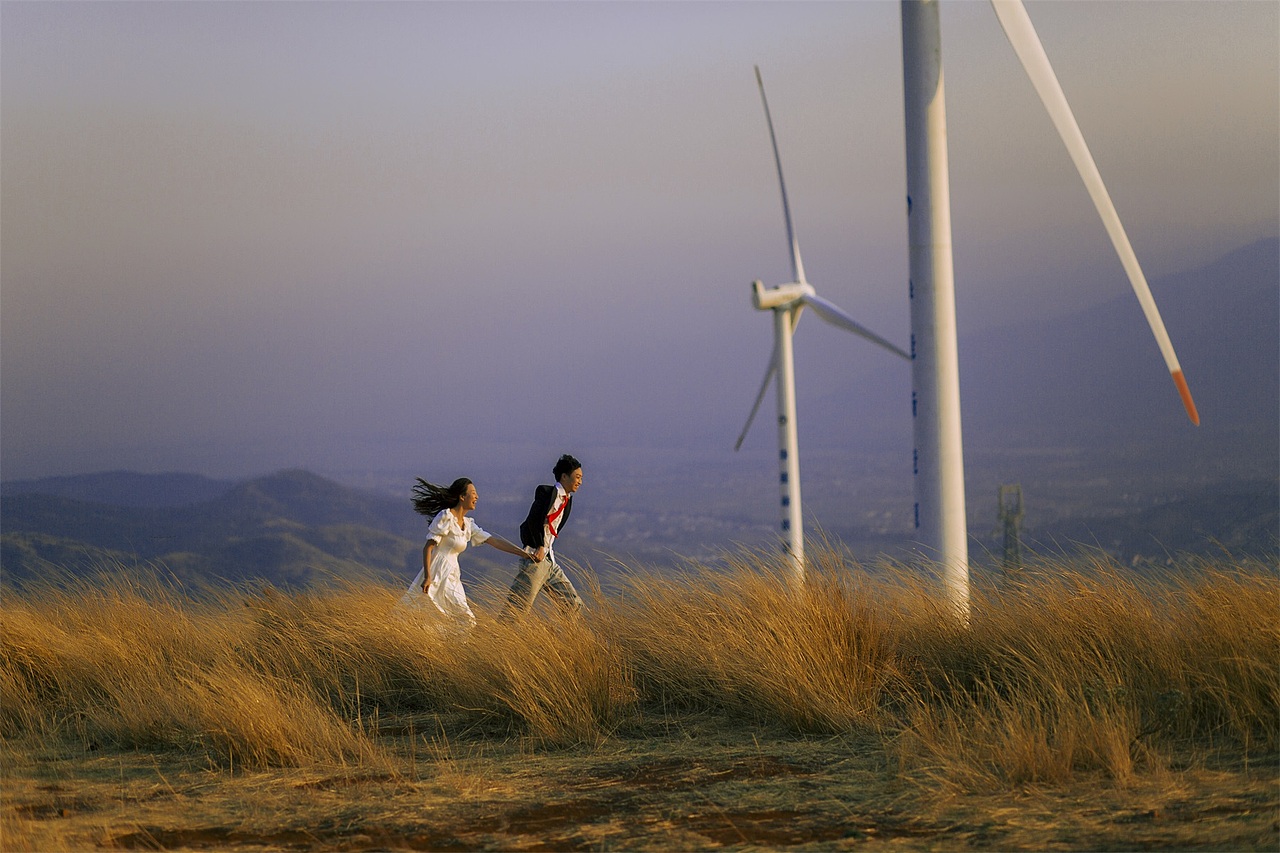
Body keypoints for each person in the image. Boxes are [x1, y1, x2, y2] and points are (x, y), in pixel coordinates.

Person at [401, 477, 533, 624]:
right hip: (438, 571)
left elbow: (494, 542)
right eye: (473, 493)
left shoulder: (468, 525)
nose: (477, 497)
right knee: (462, 619)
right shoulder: (446, 517)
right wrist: (428, 577)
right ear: (462, 497)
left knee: (460, 620)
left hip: (453, 574)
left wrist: (524, 554)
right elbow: (428, 547)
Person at [504, 454, 585, 616]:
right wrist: (539, 545)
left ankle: (564, 639)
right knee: (516, 611)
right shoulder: (549, 494)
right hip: (535, 559)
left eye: (581, 478)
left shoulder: (567, 501)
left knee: (574, 605)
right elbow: (533, 520)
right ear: (564, 476)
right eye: (577, 477)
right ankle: (495, 639)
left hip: (549, 560)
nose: (580, 482)